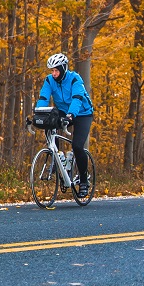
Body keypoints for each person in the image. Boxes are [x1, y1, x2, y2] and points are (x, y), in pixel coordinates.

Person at [38, 52, 95, 198]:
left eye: (56, 70)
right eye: (52, 71)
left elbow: (77, 98)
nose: (54, 73)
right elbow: (44, 97)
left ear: (63, 69)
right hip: (63, 111)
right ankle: (58, 159)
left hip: (82, 113)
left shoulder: (75, 79)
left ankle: (83, 180)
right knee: (49, 125)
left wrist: (70, 116)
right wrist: (38, 114)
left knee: (77, 146)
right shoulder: (49, 80)